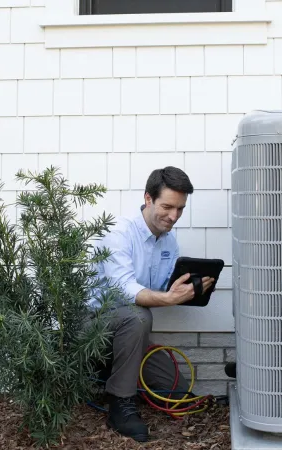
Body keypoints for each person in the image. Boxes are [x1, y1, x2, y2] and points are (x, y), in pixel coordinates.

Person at [91, 166, 215, 442]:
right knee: (137, 316)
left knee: (178, 393)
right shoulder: (119, 232)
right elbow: (125, 290)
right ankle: (120, 403)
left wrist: (188, 290)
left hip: (127, 335)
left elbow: (159, 291)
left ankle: (109, 369)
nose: (174, 216)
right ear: (148, 199)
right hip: (90, 328)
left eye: (180, 209)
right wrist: (169, 298)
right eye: (168, 206)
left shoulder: (169, 242)